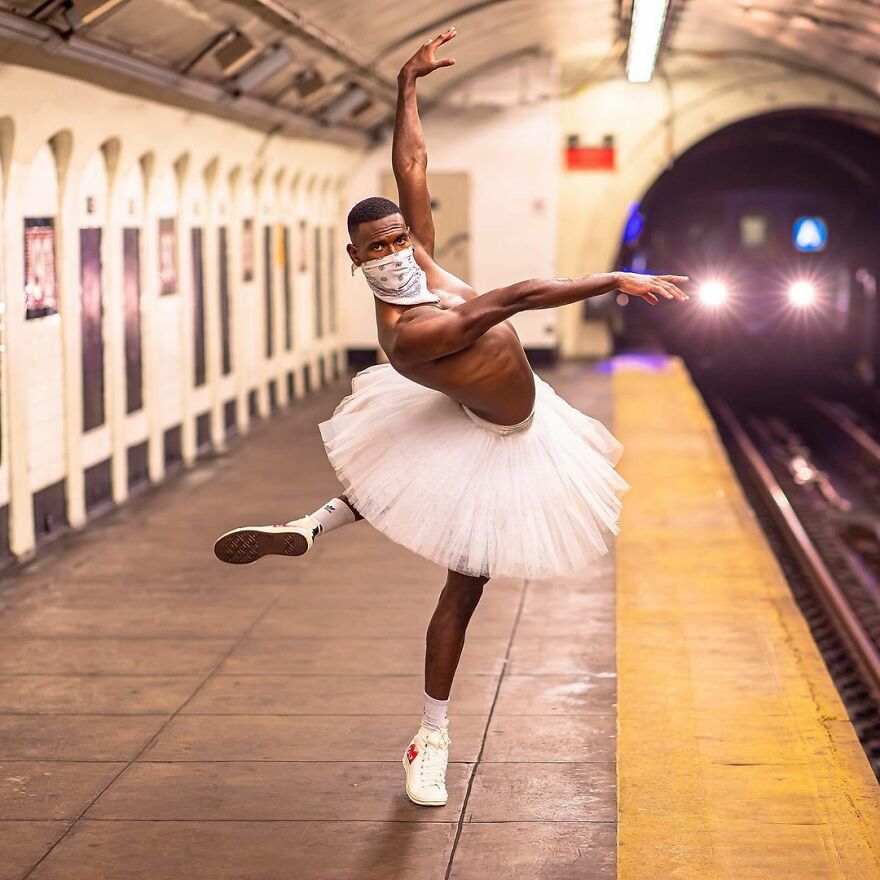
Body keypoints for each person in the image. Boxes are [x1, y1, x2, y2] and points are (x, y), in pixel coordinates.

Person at [214, 27, 688, 808]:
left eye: (399, 235)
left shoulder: (422, 260)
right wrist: (611, 278)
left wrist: (407, 82)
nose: (398, 248)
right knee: (461, 591)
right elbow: (513, 299)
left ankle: (310, 526)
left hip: (500, 420)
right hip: (504, 442)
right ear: (357, 261)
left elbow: (413, 167)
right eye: (379, 246)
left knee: (409, 470)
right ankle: (429, 738)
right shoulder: (411, 336)